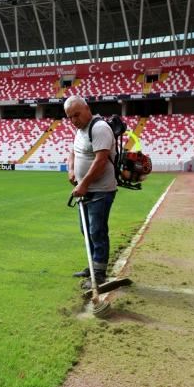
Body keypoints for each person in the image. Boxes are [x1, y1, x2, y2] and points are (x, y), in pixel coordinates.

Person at [64, 95, 117, 290]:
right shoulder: (80, 130)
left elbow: (101, 161)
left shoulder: (100, 128)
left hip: (101, 190)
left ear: (87, 108)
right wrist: (71, 169)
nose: (74, 120)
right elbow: (73, 152)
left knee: (97, 230)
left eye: (76, 115)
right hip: (85, 190)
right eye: (70, 117)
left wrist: (84, 183)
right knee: (85, 230)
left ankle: (100, 273)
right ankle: (93, 267)